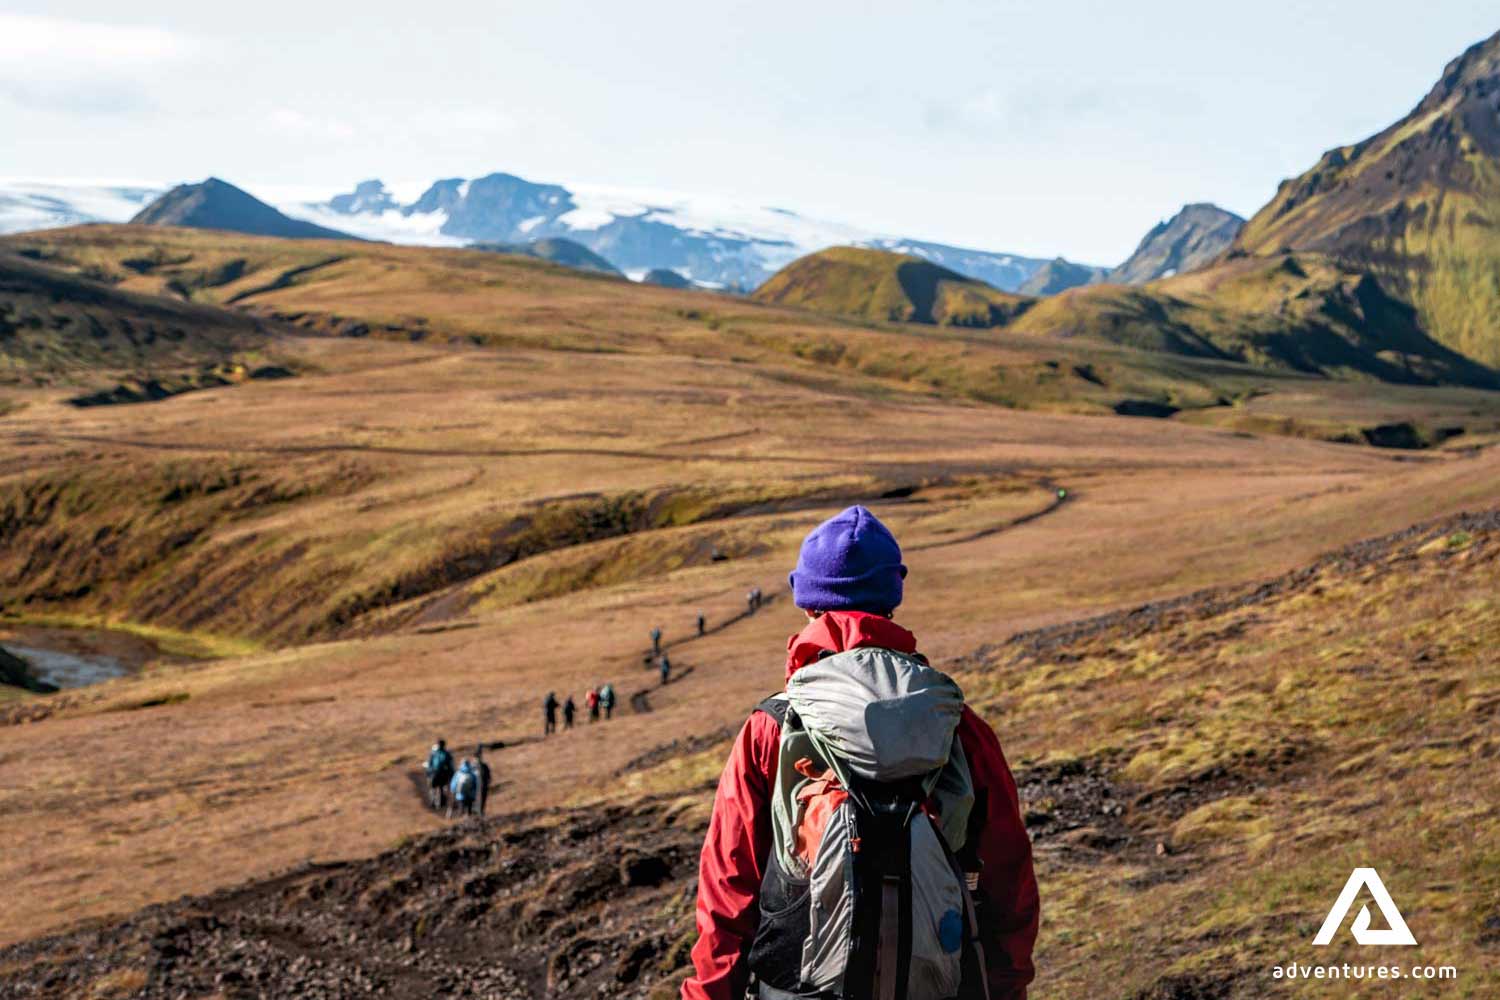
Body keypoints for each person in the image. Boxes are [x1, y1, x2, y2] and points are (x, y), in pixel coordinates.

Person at [682, 505, 1038, 1000]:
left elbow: (727, 888)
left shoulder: (771, 728)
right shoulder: (958, 724)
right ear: (892, 597)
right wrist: (1006, 989)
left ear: (807, 604)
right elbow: (1010, 880)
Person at [425, 739, 454, 812]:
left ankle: (434, 801)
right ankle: (441, 802)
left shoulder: (434, 753)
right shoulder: (446, 754)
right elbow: (450, 765)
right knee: (441, 787)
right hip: (443, 773)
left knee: (433, 788)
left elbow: (430, 763)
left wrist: (428, 772)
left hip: (435, 773)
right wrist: (451, 773)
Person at [474, 746, 492, 817]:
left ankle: (480, 812)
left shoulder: (479, 766)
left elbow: (489, 776)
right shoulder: (481, 766)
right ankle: (479, 812)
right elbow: (489, 777)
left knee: (481, 799)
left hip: (481, 785)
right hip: (481, 785)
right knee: (480, 799)